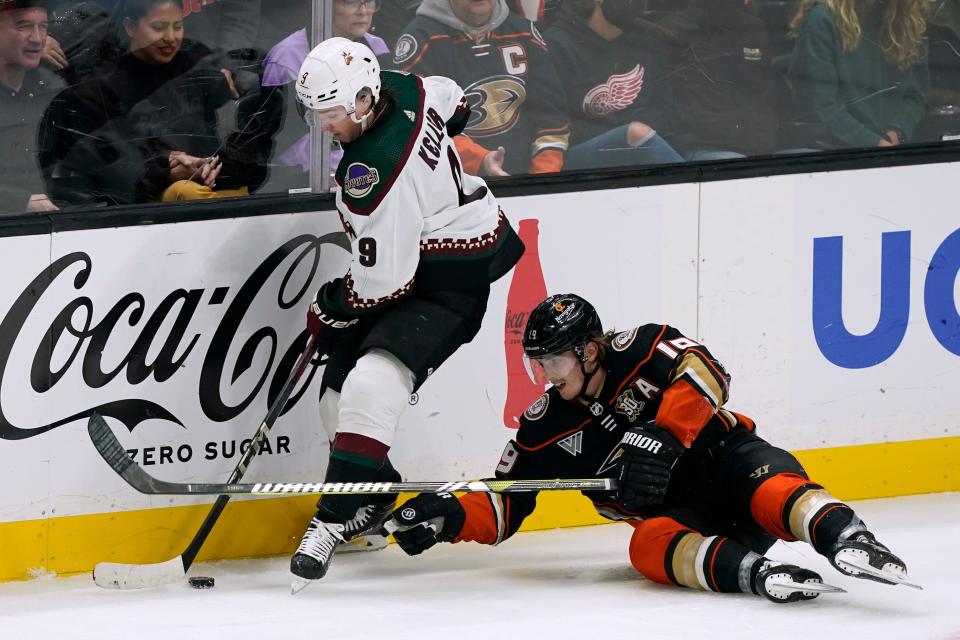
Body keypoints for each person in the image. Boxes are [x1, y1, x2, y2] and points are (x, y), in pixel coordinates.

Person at [386, 293, 919, 603]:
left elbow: (708, 370)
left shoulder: (641, 346)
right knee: (646, 547)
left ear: (590, 350)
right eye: (537, 364)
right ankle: (759, 575)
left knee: (775, 492)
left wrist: (666, 433)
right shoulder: (543, 426)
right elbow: (508, 498)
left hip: (729, 462)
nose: (543, 375)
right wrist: (447, 516)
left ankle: (850, 540)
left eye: (553, 362)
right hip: (686, 517)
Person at [289, 36, 525, 588]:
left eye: (330, 113)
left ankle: (329, 519)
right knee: (337, 399)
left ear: (364, 101)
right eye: (314, 112)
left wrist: (332, 306)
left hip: (448, 283)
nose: (322, 125)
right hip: (417, 261)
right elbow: (445, 94)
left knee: (373, 383)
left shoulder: (372, 171)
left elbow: (385, 279)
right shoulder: (403, 87)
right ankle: (370, 502)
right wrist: (460, 114)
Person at [40, 0, 262, 205]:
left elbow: (247, 136)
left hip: (208, 179)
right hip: (148, 199)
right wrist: (167, 168)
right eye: (158, 27)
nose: (170, 37)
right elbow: (114, 166)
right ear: (130, 27)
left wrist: (217, 166)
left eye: (177, 26)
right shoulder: (104, 87)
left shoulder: (197, 63)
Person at [393, 0, 570, 175]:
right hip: (454, 185)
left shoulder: (524, 32)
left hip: (532, 180)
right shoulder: (420, 39)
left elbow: (552, 118)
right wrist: (480, 161)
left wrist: (543, 177)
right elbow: (420, 124)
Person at [543, 0, 684, 170]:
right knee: (635, 133)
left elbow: (664, 108)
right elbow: (551, 122)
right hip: (577, 159)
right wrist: (621, 132)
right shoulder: (556, 45)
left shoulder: (647, 40)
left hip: (640, 153)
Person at [261, 0, 393, 175]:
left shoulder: (377, 48)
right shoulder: (286, 58)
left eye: (369, 1)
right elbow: (276, 140)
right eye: (351, 2)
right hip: (308, 178)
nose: (363, 11)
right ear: (326, 6)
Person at [785, 0, 929, 150]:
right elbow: (821, 106)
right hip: (837, 153)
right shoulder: (822, 21)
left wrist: (898, 129)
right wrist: (873, 142)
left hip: (897, 149)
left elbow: (916, 94)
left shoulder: (908, 21)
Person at [656, 0, 780, 160]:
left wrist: (767, 127)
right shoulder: (672, 30)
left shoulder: (754, 28)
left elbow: (766, 88)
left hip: (762, 142)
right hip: (704, 147)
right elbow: (670, 102)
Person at [0, 0, 63, 214]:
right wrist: (15, 203)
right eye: (23, 26)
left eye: (43, 27)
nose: (37, 38)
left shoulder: (54, 89)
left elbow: (87, 154)